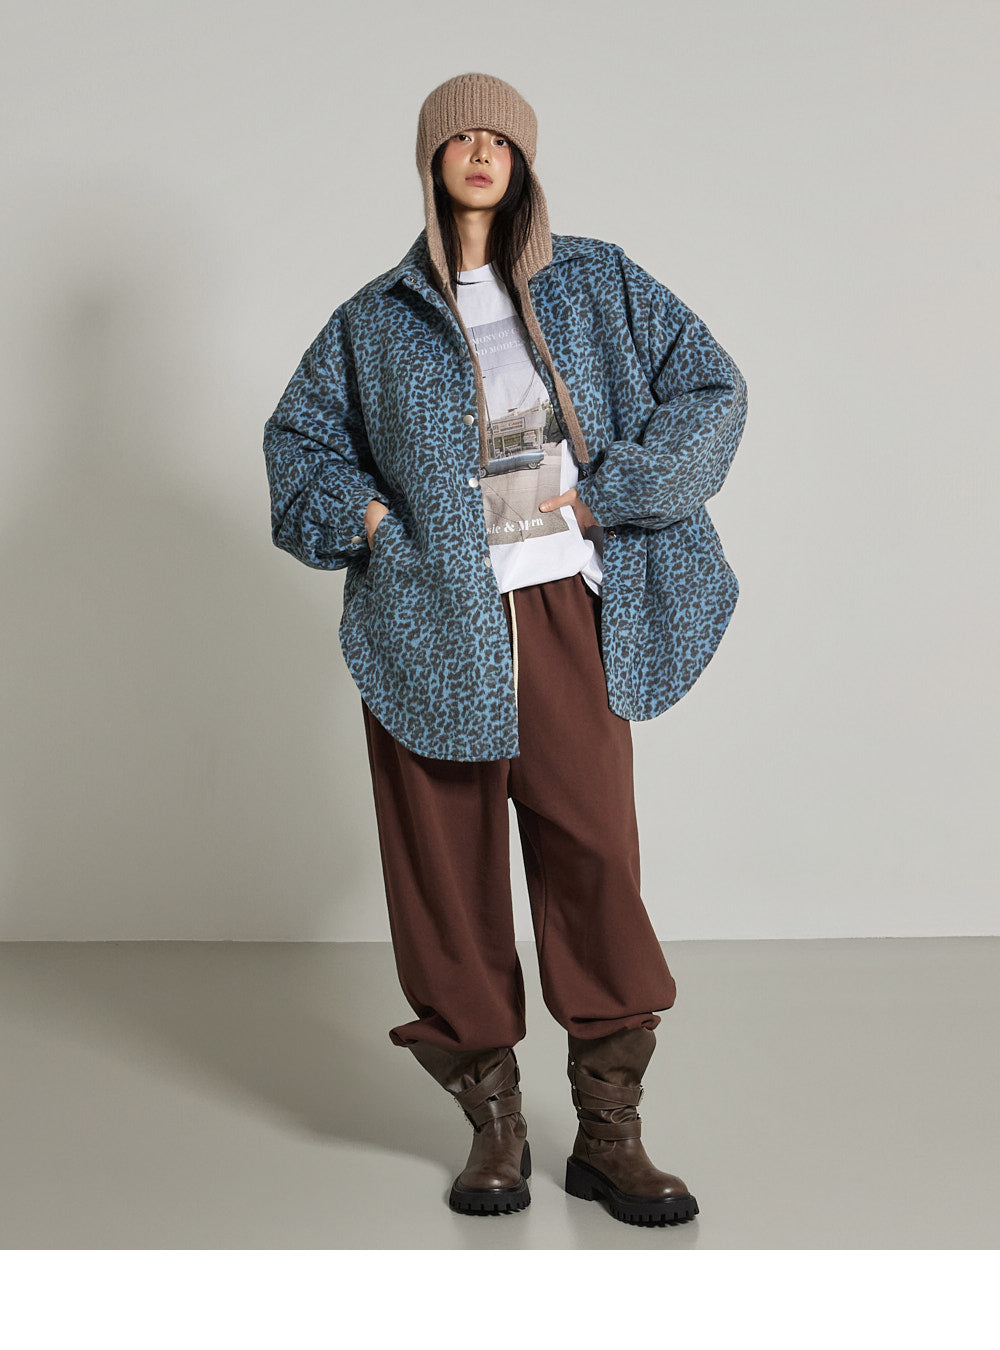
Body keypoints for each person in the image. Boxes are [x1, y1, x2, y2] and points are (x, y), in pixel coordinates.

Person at [263, 71, 748, 1227]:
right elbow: (299, 450)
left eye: (499, 138)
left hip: (565, 607)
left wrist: (614, 493)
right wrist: (371, 524)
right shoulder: (373, 320)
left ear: (523, 160)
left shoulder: (597, 279)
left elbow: (710, 389)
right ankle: (494, 1127)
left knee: (593, 855)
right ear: (432, 161)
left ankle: (610, 1137)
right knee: (444, 873)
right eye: (459, 137)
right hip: (429, 619)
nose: (480, 152)